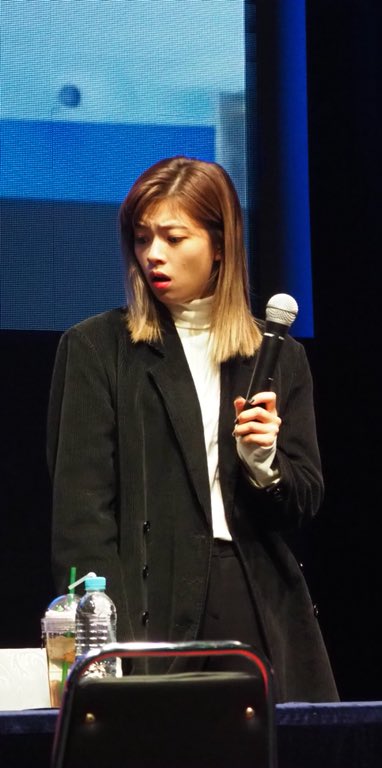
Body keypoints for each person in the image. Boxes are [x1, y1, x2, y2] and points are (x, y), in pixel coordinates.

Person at [47, 156, 338, 702]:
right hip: (146, 602)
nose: (153, 254)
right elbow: (81, 520)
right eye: (142, 238)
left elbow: (302, 502)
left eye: (174, 237)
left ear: (220, 244)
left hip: (251, 594)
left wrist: (263, 463)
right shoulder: (97, 348)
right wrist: (103, 640)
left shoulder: (276, 355)